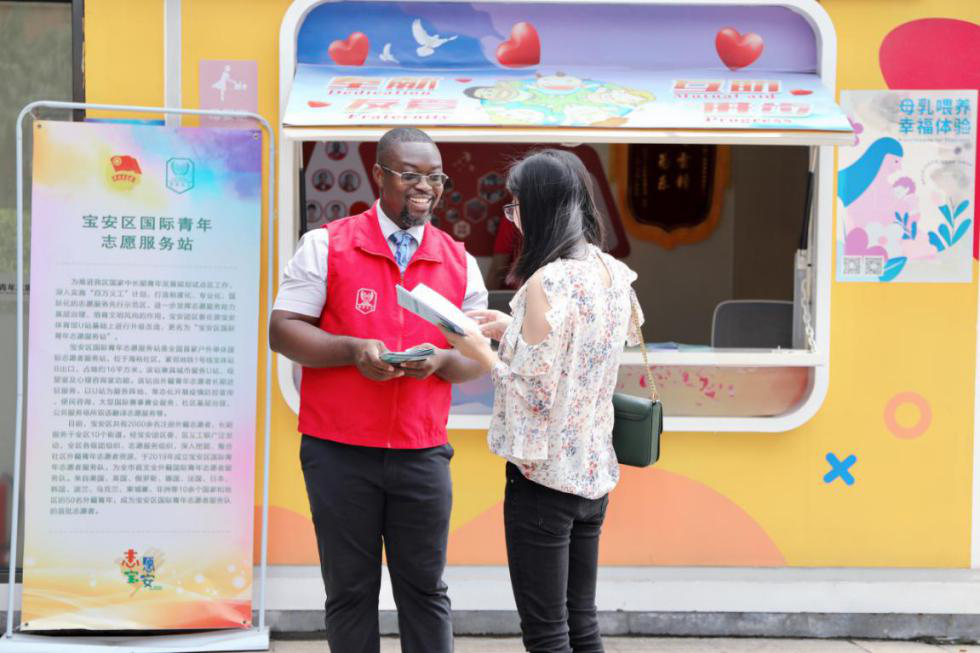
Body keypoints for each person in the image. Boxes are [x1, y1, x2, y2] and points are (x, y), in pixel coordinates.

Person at [269, 127, 489, 653]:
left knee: (425, 590)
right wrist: (352, 350)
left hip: (421, 451)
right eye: (410, 175)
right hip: (338, 450)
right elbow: (283, 330)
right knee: (350, 591)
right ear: (378, 175)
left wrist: (441, 361)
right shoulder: (326, 245)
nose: (425, 187)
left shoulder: (458, 260)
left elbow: (477, 356)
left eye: (435, 177)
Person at [441, 149, 642, 653]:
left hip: (542, 479)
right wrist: (511, 329)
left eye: (515, 207)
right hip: (593, 474)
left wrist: (479, 351)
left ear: (540, 208)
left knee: (547, 634)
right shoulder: (612, 272)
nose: (514, 218)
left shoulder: (547, 281)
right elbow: (582, 350)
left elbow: (533, 393)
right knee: (582, 625)